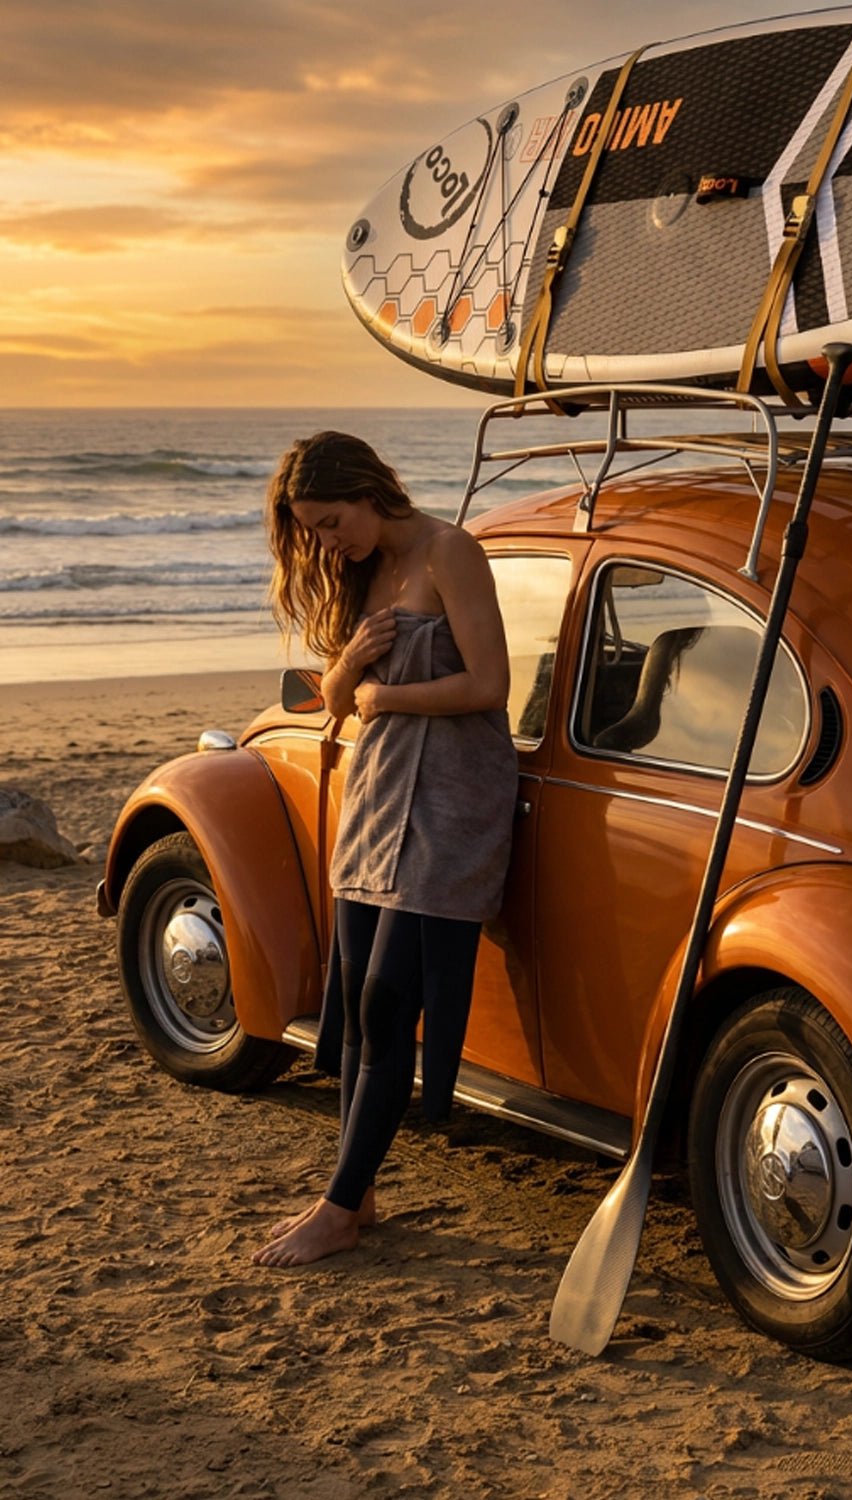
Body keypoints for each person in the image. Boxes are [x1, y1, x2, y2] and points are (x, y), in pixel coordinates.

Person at [253, 430, 518, 1267]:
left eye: (333, 522)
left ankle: (336, 1207)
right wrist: (353, 670)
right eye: (315, 530)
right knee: (355, 1007)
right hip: (377, 800)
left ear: (368, 491)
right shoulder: (357, 572)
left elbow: (490, 685)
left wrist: (381, 691)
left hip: (448, 805)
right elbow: (337, 697)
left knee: (386, 1003)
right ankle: (356, 1189)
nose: (328, 542)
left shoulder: (452, 552)